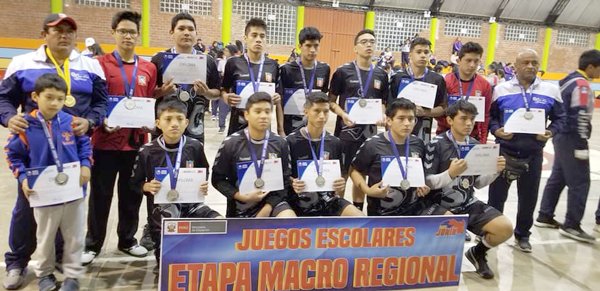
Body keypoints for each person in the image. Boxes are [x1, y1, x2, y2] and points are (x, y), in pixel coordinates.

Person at [0, 13, 107, 289]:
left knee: (70, 215)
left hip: (73, 153)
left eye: (70, 31)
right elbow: (3, 99)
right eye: (57, 30)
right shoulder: (22, 63)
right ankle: (17, 262)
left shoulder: (90, 65)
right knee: (27, 210)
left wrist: (91, 121)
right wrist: (9, 117)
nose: (64, 35)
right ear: (43, 34)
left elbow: (101, 102)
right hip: (37, 153)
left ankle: (63, 263)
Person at [81, 10, 157, 266]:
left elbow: (149, 100)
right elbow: (93, 102)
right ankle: (92, 244)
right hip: (105, 143)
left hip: (135, 145)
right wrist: (101, 121)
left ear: (138, 35)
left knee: (131, 194)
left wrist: (149, 121)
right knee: (100, 196)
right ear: (113, 32)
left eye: (132, 32)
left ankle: (127, 240)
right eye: (123, 31)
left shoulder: (148, 67)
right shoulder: (99, 64)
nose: (127, 36)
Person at [6, 73, 91, 291]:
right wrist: (23, 178)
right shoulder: (25, 124)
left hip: (73, 189)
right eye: (49, 97)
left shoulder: (70, 121)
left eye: (60, 99)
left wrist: (85, 165)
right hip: (42, 193)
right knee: (45, 237)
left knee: (74, 236)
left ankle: (72, 276)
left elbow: (85, 146)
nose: (55, 103)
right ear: (35, 96)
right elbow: (13, 155)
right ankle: (44, 275)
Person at [130, 99, 223, 273]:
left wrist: (203, 184)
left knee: (220, 224)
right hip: (161, 215)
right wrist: (146, 187)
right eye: (168, 119)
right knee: (167, 268)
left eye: (179, 119)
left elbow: (204, 170)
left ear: (186, 122)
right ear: (158, 123)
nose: (174, 124)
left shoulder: (194, 147)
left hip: (193, 207)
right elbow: (134, 184)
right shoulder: (147, 151)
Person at [487, 49, 566, 253]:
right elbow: (491, 118)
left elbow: (561, 118)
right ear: (515, 66)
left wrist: (550, 131)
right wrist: (497, 130)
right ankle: (491, 232)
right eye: (526, 62)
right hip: (503, 152)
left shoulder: (550, 90)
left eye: (534, 63)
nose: (531, 66)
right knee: (496, 198)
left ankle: (522, 235)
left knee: (528, 198)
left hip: (533, 154)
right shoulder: (501, 90)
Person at [424, 100, 512, 279]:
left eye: (472, 119)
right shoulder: (435, 144)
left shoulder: (475, 145)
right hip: (436, 203)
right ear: (449, 120)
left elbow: (478, 183)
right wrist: (450, 173)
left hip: (467, 202)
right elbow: (427, 182)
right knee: (452, 229)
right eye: (463, 119)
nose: (469, 123)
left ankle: (477, 253)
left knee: (504, 228)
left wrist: (495, 171)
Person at [535, 49, 600, 243]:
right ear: (590, 67)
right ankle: (572, 224)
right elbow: (580, 115)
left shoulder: (567, 80)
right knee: (581, 181)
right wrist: (581, 143)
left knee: (559, 177)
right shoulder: (581, 85)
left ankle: (545, 215)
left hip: (562, 136)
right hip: (573, 138)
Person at [349, 98, 446, 217]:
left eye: (411, 119)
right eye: (401, 119)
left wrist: (422, 185)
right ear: (389, 121)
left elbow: (420, 173)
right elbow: (354, 170)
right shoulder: (372, 144)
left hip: (414, 209)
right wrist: (367, 190)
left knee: (450, 220)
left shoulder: (418, 143)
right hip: (383, 212)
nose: (407, 123)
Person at [328, 29, 389, 211]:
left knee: (360, 173)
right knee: (343, 174)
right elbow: (331, 102)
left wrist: (381, 114)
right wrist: (342, 114)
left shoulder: (381, 74)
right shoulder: (342, 71)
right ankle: (338, 211)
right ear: (355, 47)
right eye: (363, 42)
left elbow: (383, 102)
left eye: (372, 41)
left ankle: (357, 210)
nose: (369, 44)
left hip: (369, 134)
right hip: (346, 133)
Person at [212, 92, 296, 218]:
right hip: (241, 204)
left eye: (267, 112)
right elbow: (217, 180)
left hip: (272, 204)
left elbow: (285, 181)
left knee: (288, 218)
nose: (263, 116)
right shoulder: (231, 143)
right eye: (258, 111)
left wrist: (267, 208)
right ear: (246, 115)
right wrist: (239, 195)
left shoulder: (281, 143)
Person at [286, 92, 363, 216]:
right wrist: (292, 182)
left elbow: (341, 174)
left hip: (328, 200)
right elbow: (285, 176)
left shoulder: (335, 142)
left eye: (326, 111)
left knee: (358, 217)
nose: (322, 116)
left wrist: (341, 183)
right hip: (298, 200)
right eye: (316, 111)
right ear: (306, 111)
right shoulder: (290, 141)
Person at [150, 12, 221, 143]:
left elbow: (217, 93)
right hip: (164, 129)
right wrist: (162, 92)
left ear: (196, 33)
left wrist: (206, 93)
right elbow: (148, 95)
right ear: (172, 32)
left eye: (191, 29)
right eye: (181, 29)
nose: (187, 33)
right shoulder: (159, 59)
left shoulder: (207, 61)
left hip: (195, 128)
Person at [221, 18, 282, 136]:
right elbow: (223, 89)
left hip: (263, 127)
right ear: (245, 38)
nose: (258, 40)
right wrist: (226, 97)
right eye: (254, 35)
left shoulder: (273, 65)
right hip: (237, 125)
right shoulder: (233, 63)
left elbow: (278, 95)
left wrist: (277, 98)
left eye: (262, 36)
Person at [390, 37, 446, 143]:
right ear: (410, 54)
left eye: (426, 52)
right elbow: (390, 107)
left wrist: (425, 112)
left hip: (423, 135)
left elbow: (443, 108)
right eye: (419, 52)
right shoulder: (398, 77)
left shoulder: (437, 79)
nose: (423, 55)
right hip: (398, 134)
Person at [436, 42, 492, 143]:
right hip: (446, 136)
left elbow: (486, 116)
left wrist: (483, 141)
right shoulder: (446, 81)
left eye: (476, 61)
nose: (472, 65)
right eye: (468, 60)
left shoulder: (485, 85)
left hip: (472, 138)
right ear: (458, 61)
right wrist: (456, 125)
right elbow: (439, 111)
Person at [279, 26, 330, 135]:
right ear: (300, 46)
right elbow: (280, 102)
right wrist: (281, 130)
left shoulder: (325, 69)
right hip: (291, 128)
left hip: (315, 127)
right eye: (308, 45)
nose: (312, 50)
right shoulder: (286, 69)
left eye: (316, 46)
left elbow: (324, 98)